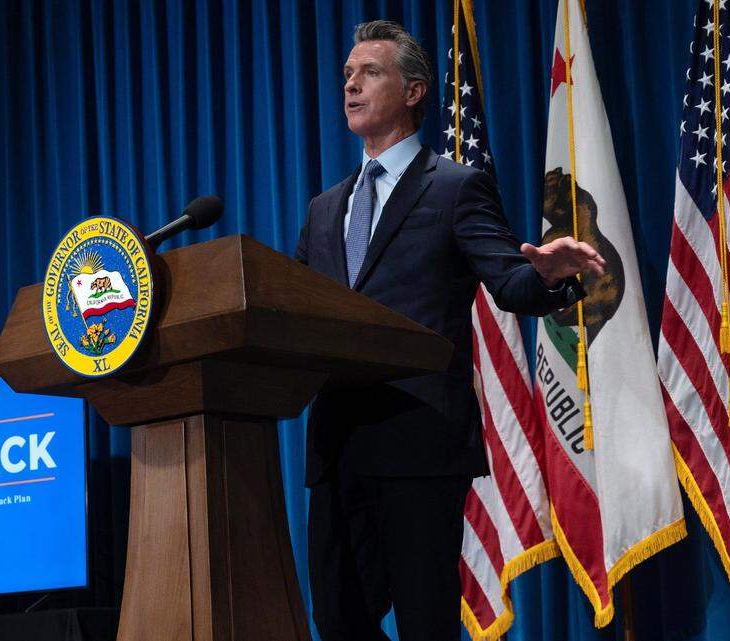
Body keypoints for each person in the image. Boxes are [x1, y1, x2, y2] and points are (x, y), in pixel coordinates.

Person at [294, 20, 605, 641]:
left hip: (418, 443)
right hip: (338, 448)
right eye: (347, 76)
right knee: (337, 623)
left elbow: (510, 285)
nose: (351, 86)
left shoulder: (455, 188)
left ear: (413, 92)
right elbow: (301, 314)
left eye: (369, 73)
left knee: (424, 623)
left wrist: (545, 273)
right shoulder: (324, 208)